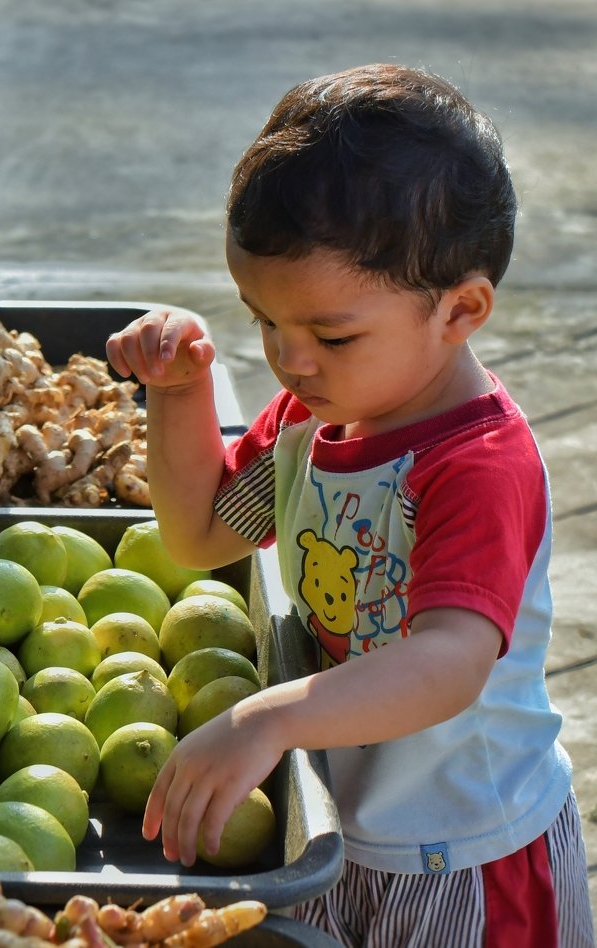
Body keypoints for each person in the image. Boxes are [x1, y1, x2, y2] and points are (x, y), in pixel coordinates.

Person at [105, 63, 594, 947]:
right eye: (264, 322)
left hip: (467, 858)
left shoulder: (476, 463)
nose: (290, 362)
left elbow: (449, 662)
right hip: (338, 833)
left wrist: (268, 717)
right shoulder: (310, 423)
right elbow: (198, 532)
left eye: (331, 335)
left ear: (461, 310)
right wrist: (180, 394)